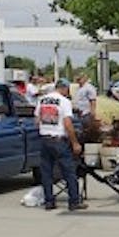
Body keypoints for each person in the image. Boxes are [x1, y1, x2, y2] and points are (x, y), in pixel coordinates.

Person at [37, 78, 87, 211]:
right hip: (58, 140)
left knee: (46, 172)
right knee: (69, 171)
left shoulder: (42, 100)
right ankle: (74, 201)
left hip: (44, 139)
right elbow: (68, 124)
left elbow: (37, 120)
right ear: (65, 88)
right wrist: (75, 143)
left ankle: (49, 201)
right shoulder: (64, 102)